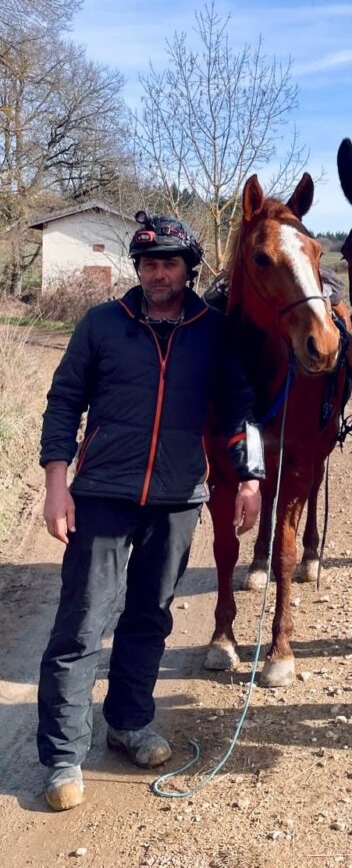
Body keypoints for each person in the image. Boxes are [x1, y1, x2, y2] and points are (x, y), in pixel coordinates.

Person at [38, 212, 264, 812]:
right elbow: (63, 403)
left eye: (169, 263)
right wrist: (57, 482)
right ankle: (63, 755)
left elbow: (241, 411)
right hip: (102, 495)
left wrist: (250, 477)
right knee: (83, 624)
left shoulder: (215, 332)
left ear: (190, 270)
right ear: (136, 269)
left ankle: (130, 723)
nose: (158, 274)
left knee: (149, 617)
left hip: (178, 499)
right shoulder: (101, 325)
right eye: (148, 264)